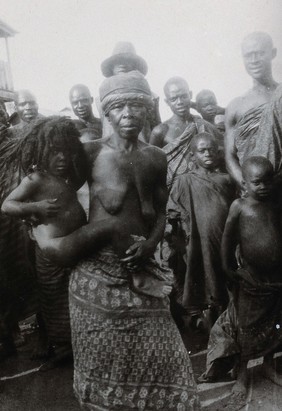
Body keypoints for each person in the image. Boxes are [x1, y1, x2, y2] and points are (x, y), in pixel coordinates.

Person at [43, 71, 200, 410]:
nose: (128, 114)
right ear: (107, 112)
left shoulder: (156, 157)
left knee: (167, 356)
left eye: (136, 106)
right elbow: (53, 190)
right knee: (104, 365)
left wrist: (150, 244)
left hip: (143, 271)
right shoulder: (89, 154)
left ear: (147, 110)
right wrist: (40, 221)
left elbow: (160, 212)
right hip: (97, 278)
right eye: (119, 107)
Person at [1, 117, 90, 363]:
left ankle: (75, 345)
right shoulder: (35, 179)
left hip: (70, 247)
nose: (61, 158)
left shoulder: (67, 177)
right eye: (54, 152)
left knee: (72, 298)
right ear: (39, 152)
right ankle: (61, 348)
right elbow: (8, 205)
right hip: (50, 252)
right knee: (53, 300)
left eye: (66, 152)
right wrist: (37, 208)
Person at [200, 156, 282, 402]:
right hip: (251, 278)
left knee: (276, 324)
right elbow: (227, 239)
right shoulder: (240, 206)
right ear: (244, 183)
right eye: (257, 182)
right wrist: (227, 267)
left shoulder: (277, 203)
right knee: (247, 327)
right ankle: (243, 374)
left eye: (268, 181)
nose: (264, 186)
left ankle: (269, 365)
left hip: (276, 278)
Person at [167, 133, 234, 330]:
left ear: (218, 151)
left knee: (229, 276)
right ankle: (214, 325)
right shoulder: (184, 181)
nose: (208, 154)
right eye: (202, 151)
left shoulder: (227, 179)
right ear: (192, 155)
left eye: (211, 149)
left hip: (227, 238)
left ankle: (232, 323)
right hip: (200, 241)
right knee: (208, 278)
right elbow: (172, 210)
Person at [225, 32, 282, 187]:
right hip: (254, 194)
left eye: (260, 53)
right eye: (249, 55)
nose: (254, 60)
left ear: (273, 53)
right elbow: (230, 157)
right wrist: (248, 187)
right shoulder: (236, 106)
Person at [150, 77, 224, 190]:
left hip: (207, 188)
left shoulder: (203, 125)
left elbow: (222, 153)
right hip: (174, 192)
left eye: (184, 96)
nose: (180, 102)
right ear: (167, 102)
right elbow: (153, 168)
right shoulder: (160, 131)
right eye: (174, 99)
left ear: (190, 94)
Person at [100, 41, 161, 142]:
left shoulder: (150, 95)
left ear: (135, 65)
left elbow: (157, 127)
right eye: (118, 60)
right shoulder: (101, 98)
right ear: (112, 66)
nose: (122, 64)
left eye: (127, 60)